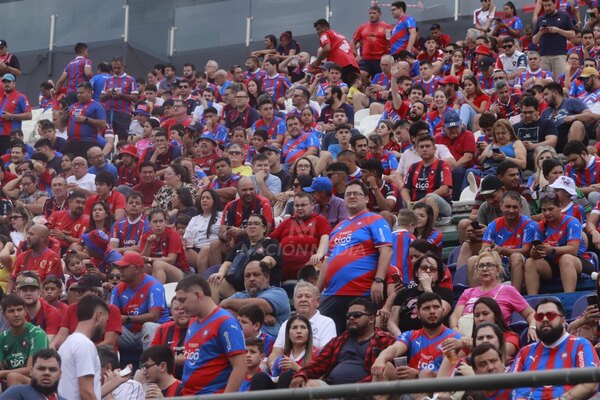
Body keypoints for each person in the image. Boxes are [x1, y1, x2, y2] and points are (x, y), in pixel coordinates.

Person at [318, 180, 392, 333]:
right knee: (327, 338)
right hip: (332, 293)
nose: (351, 197)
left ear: (366, 198)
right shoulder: (337, 227)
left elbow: (386, 250)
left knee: (360, 337)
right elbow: (327, 260)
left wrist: (379, 280)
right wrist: (316, 292)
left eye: (356, 194)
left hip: (361, 291)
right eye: (348, 194)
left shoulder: (375, 219)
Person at [289, 298, 395, 388]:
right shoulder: (338, 340)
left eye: (357, 315)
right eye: (348, 315)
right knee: (307, 385)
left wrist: (356, 389)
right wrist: (301, 375)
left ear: (371, 319)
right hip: (332, 389)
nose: (351, 318)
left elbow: (388, 373)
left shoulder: (385, 340)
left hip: (365, 390)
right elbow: (318, 364)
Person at [511, 298, 599, 400]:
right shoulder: (525, 351)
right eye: (539, 316)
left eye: (551, 315)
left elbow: (590, 383)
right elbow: (512, 385)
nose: (544, 319)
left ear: (563, 320)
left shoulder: (580, 345)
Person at [175, 275, 246, 395]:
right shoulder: (193, 320)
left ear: (198, 295)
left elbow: (240, 367)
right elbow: (199, 358)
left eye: (183, 300)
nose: (180, 307)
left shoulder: (225, 322)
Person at [451, 251, 536, 336]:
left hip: (496, 338)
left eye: (489, 265)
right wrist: (455, 330)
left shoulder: (508, 290)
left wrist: (532, 327)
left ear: (498, 270)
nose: (485, 269)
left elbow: (530, 313)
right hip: (466, 338)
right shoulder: (468, 292)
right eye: (481, 266)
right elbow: (455, 317)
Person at [524, 194, 588, 294]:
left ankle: (569, 298)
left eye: (551, 209)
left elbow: (573, 250)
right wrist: (534, 252)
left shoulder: (572, 222)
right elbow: (534, 253)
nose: (547, 213)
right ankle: (532, 301)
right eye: (544, 210)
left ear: (560, 207)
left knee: (565, 258)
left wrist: (552, 250)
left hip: (577, 262)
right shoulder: (540, 225)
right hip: (552, 265)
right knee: (530, 262)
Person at [267, 282, 336, 370]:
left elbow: (326, 356)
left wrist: (299, 370)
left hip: (312, 374)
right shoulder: (286, 324)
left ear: (317, 302)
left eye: (307, 296)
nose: (303, 299)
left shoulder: (327, 323)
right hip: (284, 373)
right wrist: (275, 369)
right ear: (294, 302)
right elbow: (276, 353)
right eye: (299, 296)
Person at [111, 251, 169, 353]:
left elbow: (154, 316)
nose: (120, 270)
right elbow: (112, 315)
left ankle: (150, 365)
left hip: (155, 331)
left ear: (137, 269)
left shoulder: (154, 286)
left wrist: (129, 319)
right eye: (120, 267)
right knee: (107, 328)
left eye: (124, 267)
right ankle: (109, 364)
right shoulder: (118, 289)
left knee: (148, 326)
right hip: (129, 333)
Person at [385, 253, 453, 337]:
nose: (428, 271)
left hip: (432, 337)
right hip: (403, 337)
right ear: (417, 273)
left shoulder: (445, 293)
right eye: (424, 268)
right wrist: (402, 338)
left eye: (433, 269)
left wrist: (427, 287)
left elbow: (438, 314)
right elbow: (392, 322)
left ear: (437, 276)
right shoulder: (404, 293)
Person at [269, 192, 331, 281]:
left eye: (303, 205)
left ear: (312, 205)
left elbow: (325, 238)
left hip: (309, 268)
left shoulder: (320, 220)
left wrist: (319, 254)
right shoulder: (287, 222)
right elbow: (270, 239)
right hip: (283, 269)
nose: (300, 208)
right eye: (297, 206)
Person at [220, 260, 290, 337]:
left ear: (267, 277)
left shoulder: (278, 293)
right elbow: (221, 312)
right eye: (247, 276)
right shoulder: (239, 296)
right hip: (242, 343)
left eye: (256, 275)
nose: (251, 279)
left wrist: (228, 303)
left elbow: (261, 304)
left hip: (271, 345)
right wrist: (260, 316)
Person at [58, 295, 108, 400]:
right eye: (106, 321)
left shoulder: (67, 343)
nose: (105, 327)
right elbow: (86, 393)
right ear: (98, 316)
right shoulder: (85, 345)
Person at [401, 134, 453, 222]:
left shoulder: (442, 165)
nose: (424, 149)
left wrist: (421, 201)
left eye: (427, 146)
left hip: (441, 205)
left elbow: (444, 189)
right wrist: (409, 203)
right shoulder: (413, 167)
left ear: (434, 149)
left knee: (431, 198)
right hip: (416, 204)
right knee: (403, 203)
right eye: (421, 147)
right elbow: (405, 189)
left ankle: (429, 231)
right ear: (417, 150)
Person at [0, 294, 48, 386]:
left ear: (25, 311)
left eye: (19, 310)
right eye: (11, 311)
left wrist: (3, 373)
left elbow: (31, 370)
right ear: (4, 315)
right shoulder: (2, 337)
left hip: (38, 384)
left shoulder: (37, 333)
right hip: (10, 384)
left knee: (13, 376)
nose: (16, 314)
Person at [7, 224, 62, 294]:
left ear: (42, 238)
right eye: (28, 234)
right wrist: (8, 296)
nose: (28, 237)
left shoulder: (53, 257)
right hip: (21, 296)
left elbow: (49, 285)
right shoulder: (21, 256)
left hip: (42, 297)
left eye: (31, 234)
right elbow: (12, 279)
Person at [533, 0, 576, 79]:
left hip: (559, 55)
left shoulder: (564, 16)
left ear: (555, 4)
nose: (547, 8)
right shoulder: (540, 19)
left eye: (549, 5)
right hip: (543, 56)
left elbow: (573, 34)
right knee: (544, 83)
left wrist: (558, 30)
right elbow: (534, 40)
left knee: (560, 81)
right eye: (545, 6)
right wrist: (540, 32)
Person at [0, 348, 64, 400]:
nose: (46, 373)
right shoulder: (17, 393)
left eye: (52, 369)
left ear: (60, 374)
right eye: (41, 368)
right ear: (31, 371)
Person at [63, 83, 107, 158]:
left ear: (89, 92)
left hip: (87, 142)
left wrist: (86, 120)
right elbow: (66, 122)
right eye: (78, 93)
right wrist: (62, 115)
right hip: (71, 142)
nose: (79, 95)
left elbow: (103, 124)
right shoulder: (73, 106)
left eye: (81, 93)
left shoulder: (97, 106)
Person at [150, 297, 189, 379]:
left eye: (184, 308)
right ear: (171, 312)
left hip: (192, 377)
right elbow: (152, 356)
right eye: (177, 309)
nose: (181, 311)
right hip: (167, 379)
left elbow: (199, 358)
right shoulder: (162, 329)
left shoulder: (199, 328)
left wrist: (169, 359)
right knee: (140, 373)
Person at [310, 19, 359, 84]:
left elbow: (327, 49)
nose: (317, 32)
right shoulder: (341, 36)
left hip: (340, 65)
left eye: (318, 29)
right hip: (353, 64)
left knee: (340, 89)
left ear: (324, 28)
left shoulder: (324, 34)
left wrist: (317, 62)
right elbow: (354, 53)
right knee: (354, 87)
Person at [17, 273, 61, 343]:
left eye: (32, 290)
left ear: (39, 292)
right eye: (25, 290)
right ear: (18, 293)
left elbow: (47, 342)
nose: (28, 293)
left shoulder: (51, 312)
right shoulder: (16, 312)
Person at [101, 57, 139, 141]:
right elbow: (101, 98)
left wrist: (121, 95)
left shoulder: (130, 80)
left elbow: (135, 98)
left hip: (123, 114)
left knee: (123, 138)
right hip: (108, 113)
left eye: (118, 68)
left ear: (123, 66)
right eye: (114, 68)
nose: (116, 70)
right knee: (108, 138)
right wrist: (107, 94)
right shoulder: (108, 80)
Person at [353, 5, 393, 81]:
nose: (372, 15)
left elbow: (390, 42)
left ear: (379, 14)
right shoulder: (362, 27)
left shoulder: (387, 27)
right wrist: (356, 55)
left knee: (379, 79)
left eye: (374, 13)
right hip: (366, 59)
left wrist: (388, 56)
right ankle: (367, 88)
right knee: (361, 75)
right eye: (370, 13)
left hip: (380, 60)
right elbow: (353, 42)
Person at [0, 74, 31, 155]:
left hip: (11, 136)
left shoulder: (21, 97)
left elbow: (29, 115)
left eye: (9, 81)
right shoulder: (1, 98)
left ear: (14, 83)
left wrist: (11, 116)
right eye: (4, 82)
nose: (6, 84)